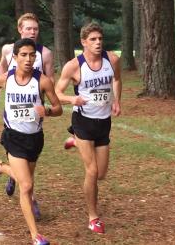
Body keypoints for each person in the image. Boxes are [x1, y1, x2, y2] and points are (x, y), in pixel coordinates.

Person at [55, 22, 122, 234]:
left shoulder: (112, 60)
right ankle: (93, 217)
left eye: (100, 39)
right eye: (93, 39)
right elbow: (56, 93)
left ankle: (74, 142)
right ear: (83, 42)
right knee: (91, 171)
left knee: (101, 174)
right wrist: (71, 98)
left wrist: (116, 100)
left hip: (103, 123)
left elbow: (117, 79)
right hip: (83, 122)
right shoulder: (74, 66)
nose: (98, 43)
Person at [0, 38, 62, 245]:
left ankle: (0, 168)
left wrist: (47, 111)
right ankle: (36, 236)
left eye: (32, 55)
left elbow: (58, 108)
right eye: (23, 55)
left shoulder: (42, 81)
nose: (28, 59)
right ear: (15, 57)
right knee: (26, 185)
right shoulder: (5, 79)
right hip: (13, 136)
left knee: (27, 184)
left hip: (34, 139)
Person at [0, 13, 54, 218]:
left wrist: (44, 105)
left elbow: (49, 79)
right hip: (13, 111)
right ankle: (31, 199)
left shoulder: (45, 53)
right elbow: (2, 67)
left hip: (34, 113)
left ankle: (7, 171)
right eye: (28, 28)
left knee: (30, 160)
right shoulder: (9, 50)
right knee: (25, 174)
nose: (32, 32)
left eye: (36, 29)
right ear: (20, 29)